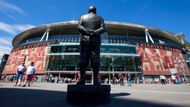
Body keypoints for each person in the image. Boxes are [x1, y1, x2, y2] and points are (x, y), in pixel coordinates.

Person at [77, 6, 105, 85]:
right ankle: (96, 80)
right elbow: (103, 28)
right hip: (95, 41)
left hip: (85, 40)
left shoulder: (83, 17)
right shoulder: (100, 18)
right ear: (95, 11)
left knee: (83, 60)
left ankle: (82, 80)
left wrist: (87, 31)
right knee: (95, 60)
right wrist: (94, 32)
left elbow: (79, 26)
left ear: (88, 10)